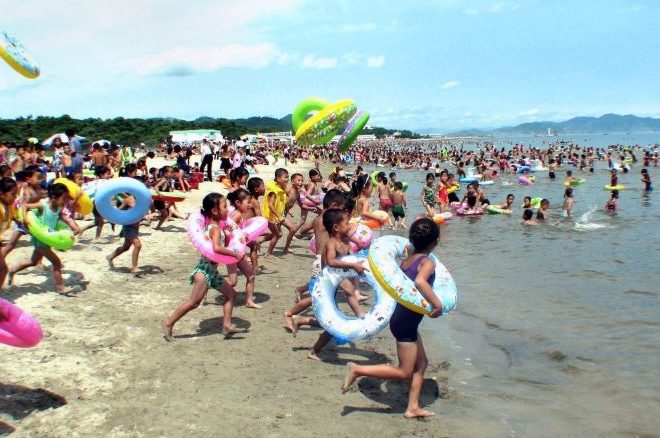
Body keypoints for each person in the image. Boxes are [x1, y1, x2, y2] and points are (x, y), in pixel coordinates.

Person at [340, 218, 443, 419]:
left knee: (421, 364)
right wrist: (437, 305)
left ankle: (412, 407)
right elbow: (421, 283)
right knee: (404, 371)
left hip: (403, 318)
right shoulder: (427, 262)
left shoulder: (408, 260)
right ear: (435, 242)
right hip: (406, 324)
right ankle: (358, 370)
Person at [162, 193, 240, 341]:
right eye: (224, 207)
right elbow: (217, 248)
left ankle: (227, 325)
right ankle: (168, 323)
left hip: (212, 272)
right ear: (215, 211)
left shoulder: (213, 226)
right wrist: (234, 254)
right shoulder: (215, 229)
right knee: (193, 302)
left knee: (231, 294)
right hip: (205, 271)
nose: (227, 210)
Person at [301, 208, 366, 360]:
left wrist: (360, 263)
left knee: (331, 324)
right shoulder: (331, 243)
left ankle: (301, 321)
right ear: (336, 227)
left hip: (335, 282)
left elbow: (350, 257)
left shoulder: (345, 242)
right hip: (327, 283)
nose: (349, 225)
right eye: (346, 223)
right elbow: (331, 262)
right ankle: (361, 316)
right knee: (333, 323)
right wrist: (352, 266)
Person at [8, 183, 79, 294]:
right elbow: (24, 206)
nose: (65, 201)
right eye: (63, 198)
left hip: (47, 240)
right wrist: (25, 219)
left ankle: (12, 271)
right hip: (41, 241)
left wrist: (72, 228)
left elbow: (62, 218)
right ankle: (61, 288)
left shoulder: (58, 208)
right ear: (54, 197)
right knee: (57, 263)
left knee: (33, 261)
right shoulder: (43, 205)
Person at [226, 188, 260, 309]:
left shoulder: (238, 214)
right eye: (247, 202)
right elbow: (226, 231)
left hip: (238, 252)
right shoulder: (237, 214)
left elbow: (236, 230)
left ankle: (249, 301)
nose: (250, 205)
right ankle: (208, 285)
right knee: (233, 281)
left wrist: (243, 235)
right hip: (232, 252)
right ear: (238, 203)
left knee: (250, 276)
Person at [106, 178, 148, 273]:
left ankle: (110, 257)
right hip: (128, 227)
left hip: (135, 226)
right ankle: (134, 267)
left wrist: (148, 216)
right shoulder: (129, 200)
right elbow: (117, 212)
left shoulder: (143, 200)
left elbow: (141, 213)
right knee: (138, 245)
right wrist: (113, 221)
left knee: (125, 247)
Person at [262, 168, 289, 258]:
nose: (287, 179)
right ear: (278, 179)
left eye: (287, 177)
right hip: (271, 217)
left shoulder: (280, 187)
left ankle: (259, 241)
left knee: (277, 234)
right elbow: (271, 205)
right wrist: (279, 216)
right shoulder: (273, 191)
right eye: (285, 177)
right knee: (277, 234)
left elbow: (281, 202)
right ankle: (268, 254)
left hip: (276, 217)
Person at [0, 177, 21, 289]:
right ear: (1, 194)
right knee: (3, 269)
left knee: (2, 269)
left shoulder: (9, 206)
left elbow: (15, 218)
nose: (15, 197)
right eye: (12, 194)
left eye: (16, 194)